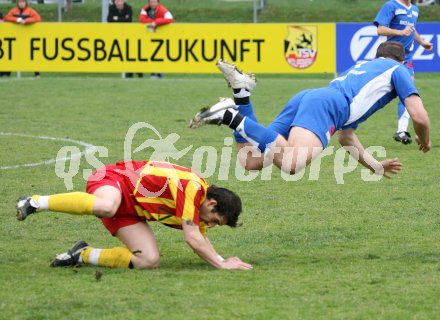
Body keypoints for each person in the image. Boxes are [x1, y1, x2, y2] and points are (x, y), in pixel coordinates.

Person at [190, 41, 431, 178]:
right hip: (327, 105)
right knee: (292, 163)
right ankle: (229, 115)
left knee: (250, 160)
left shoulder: (365, 69)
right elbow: (419, 117)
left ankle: (241, 95)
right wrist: (424, 140)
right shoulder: (398, 70)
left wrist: (375, 166)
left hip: (310, 98)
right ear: (401, 61)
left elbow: (346, 138)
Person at [15, 160, 252, 271]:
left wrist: (222, 260)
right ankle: (34, 202)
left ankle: (82, 255)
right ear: (211, 203)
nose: (211, 225)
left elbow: (201, 241)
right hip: (114, 181)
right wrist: (223, 267)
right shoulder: (192, 187)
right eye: (215, 220)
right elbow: (193, 239)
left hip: (130, 212)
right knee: (107, 205)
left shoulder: (197, 210)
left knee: (149, 261)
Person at [374, 0, 433, 144]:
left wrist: (422, 42)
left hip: (406, 58)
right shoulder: (391, 5)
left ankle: (401, 130)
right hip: (389, 56)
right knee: (376, 93)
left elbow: (412, 30)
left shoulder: (414, 9)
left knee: (408, 92)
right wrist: (400, 32)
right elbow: (380, 29)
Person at [4, 0, 41, 78]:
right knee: (12, 54)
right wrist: (16, 20)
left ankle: (37, 73)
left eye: (23, 2)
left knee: (31, 55)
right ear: (18, 3)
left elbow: (37, 18)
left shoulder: (30, 11)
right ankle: (7, 72)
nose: (21, 4)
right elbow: (6, 18)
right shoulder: (13, 11)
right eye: (20, 2)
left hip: (28, 37)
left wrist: (26, 21)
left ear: (26, 3)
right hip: (15, 37)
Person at [107, 0, 143, 78]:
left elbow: (128, 20)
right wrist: (122, 18)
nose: (119, 3)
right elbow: (109, 19)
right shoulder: (111, 8)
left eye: (121, 1)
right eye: (117, 1)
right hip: (115, 34)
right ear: (114, 2)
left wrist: (116, 18)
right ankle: (128, 71)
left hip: (127, 34)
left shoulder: (128, 8)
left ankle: (137, 70)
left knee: (130, 52)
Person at [138, 0, 173, 79]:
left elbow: (170, 19)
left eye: (154, 2)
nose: (152, 4)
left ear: (158, 2)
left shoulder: (163, 9)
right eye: (151, 2)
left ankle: (158, 73)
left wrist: (157, 22)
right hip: (148, 35)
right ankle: (150, 72)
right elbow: (141, 19)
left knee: (159, 54)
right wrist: (154, 22)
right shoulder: (145, 9)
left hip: (160, 35)